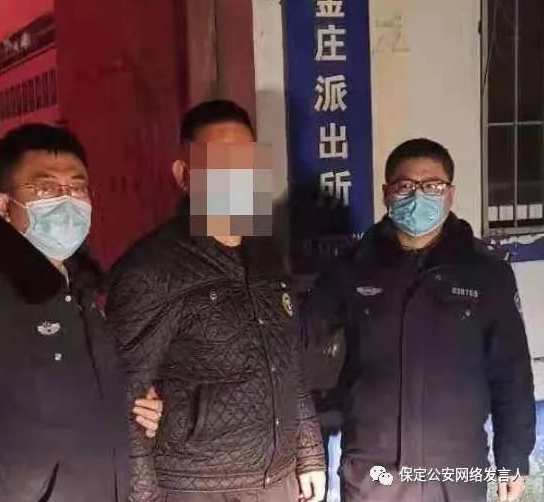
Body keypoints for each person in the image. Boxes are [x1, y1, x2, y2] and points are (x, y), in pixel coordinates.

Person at [107, 100, 326, 502]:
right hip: (197, 487)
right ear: (184, 176)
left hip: (277, 481)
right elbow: (124, 395)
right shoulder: (152, 269)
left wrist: (309, 453)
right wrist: (144, 497)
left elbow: (287, 361)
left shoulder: (266, 253)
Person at [303, 138, 536, 502]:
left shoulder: (486, 274)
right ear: (386, 193)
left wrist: (513, 457)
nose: (418, 197)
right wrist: (307, 451)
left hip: (455, 470)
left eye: (432, 186)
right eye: (406, 186)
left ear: (450, 194)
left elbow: (512, 374)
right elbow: (307, 360)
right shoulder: (350, 270)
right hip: (372, 469)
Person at [0, 123, 161, 501]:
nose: (67, 201)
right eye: (46, 188)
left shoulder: (86, 291)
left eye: (77, 188)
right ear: (3, 205)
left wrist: (133, 404)